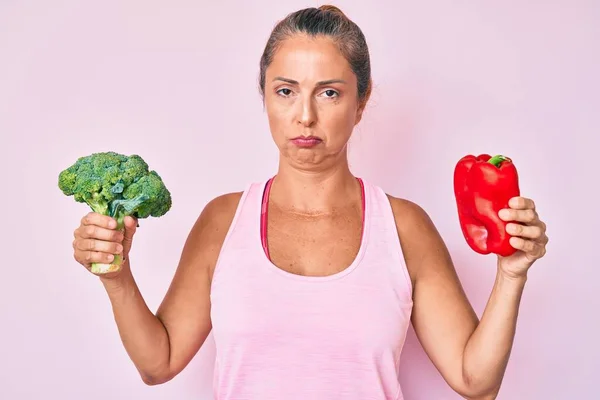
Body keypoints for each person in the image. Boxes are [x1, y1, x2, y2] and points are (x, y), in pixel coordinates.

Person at [71, 5, 548, 400]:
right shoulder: (224, 220)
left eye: (329, 92)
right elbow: (159, 363)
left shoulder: (404, 227)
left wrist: (511, 274)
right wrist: (116, 277)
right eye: (285, 91)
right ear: (265, 98)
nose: (305, 115)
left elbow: (476, 381)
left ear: (361, 103)